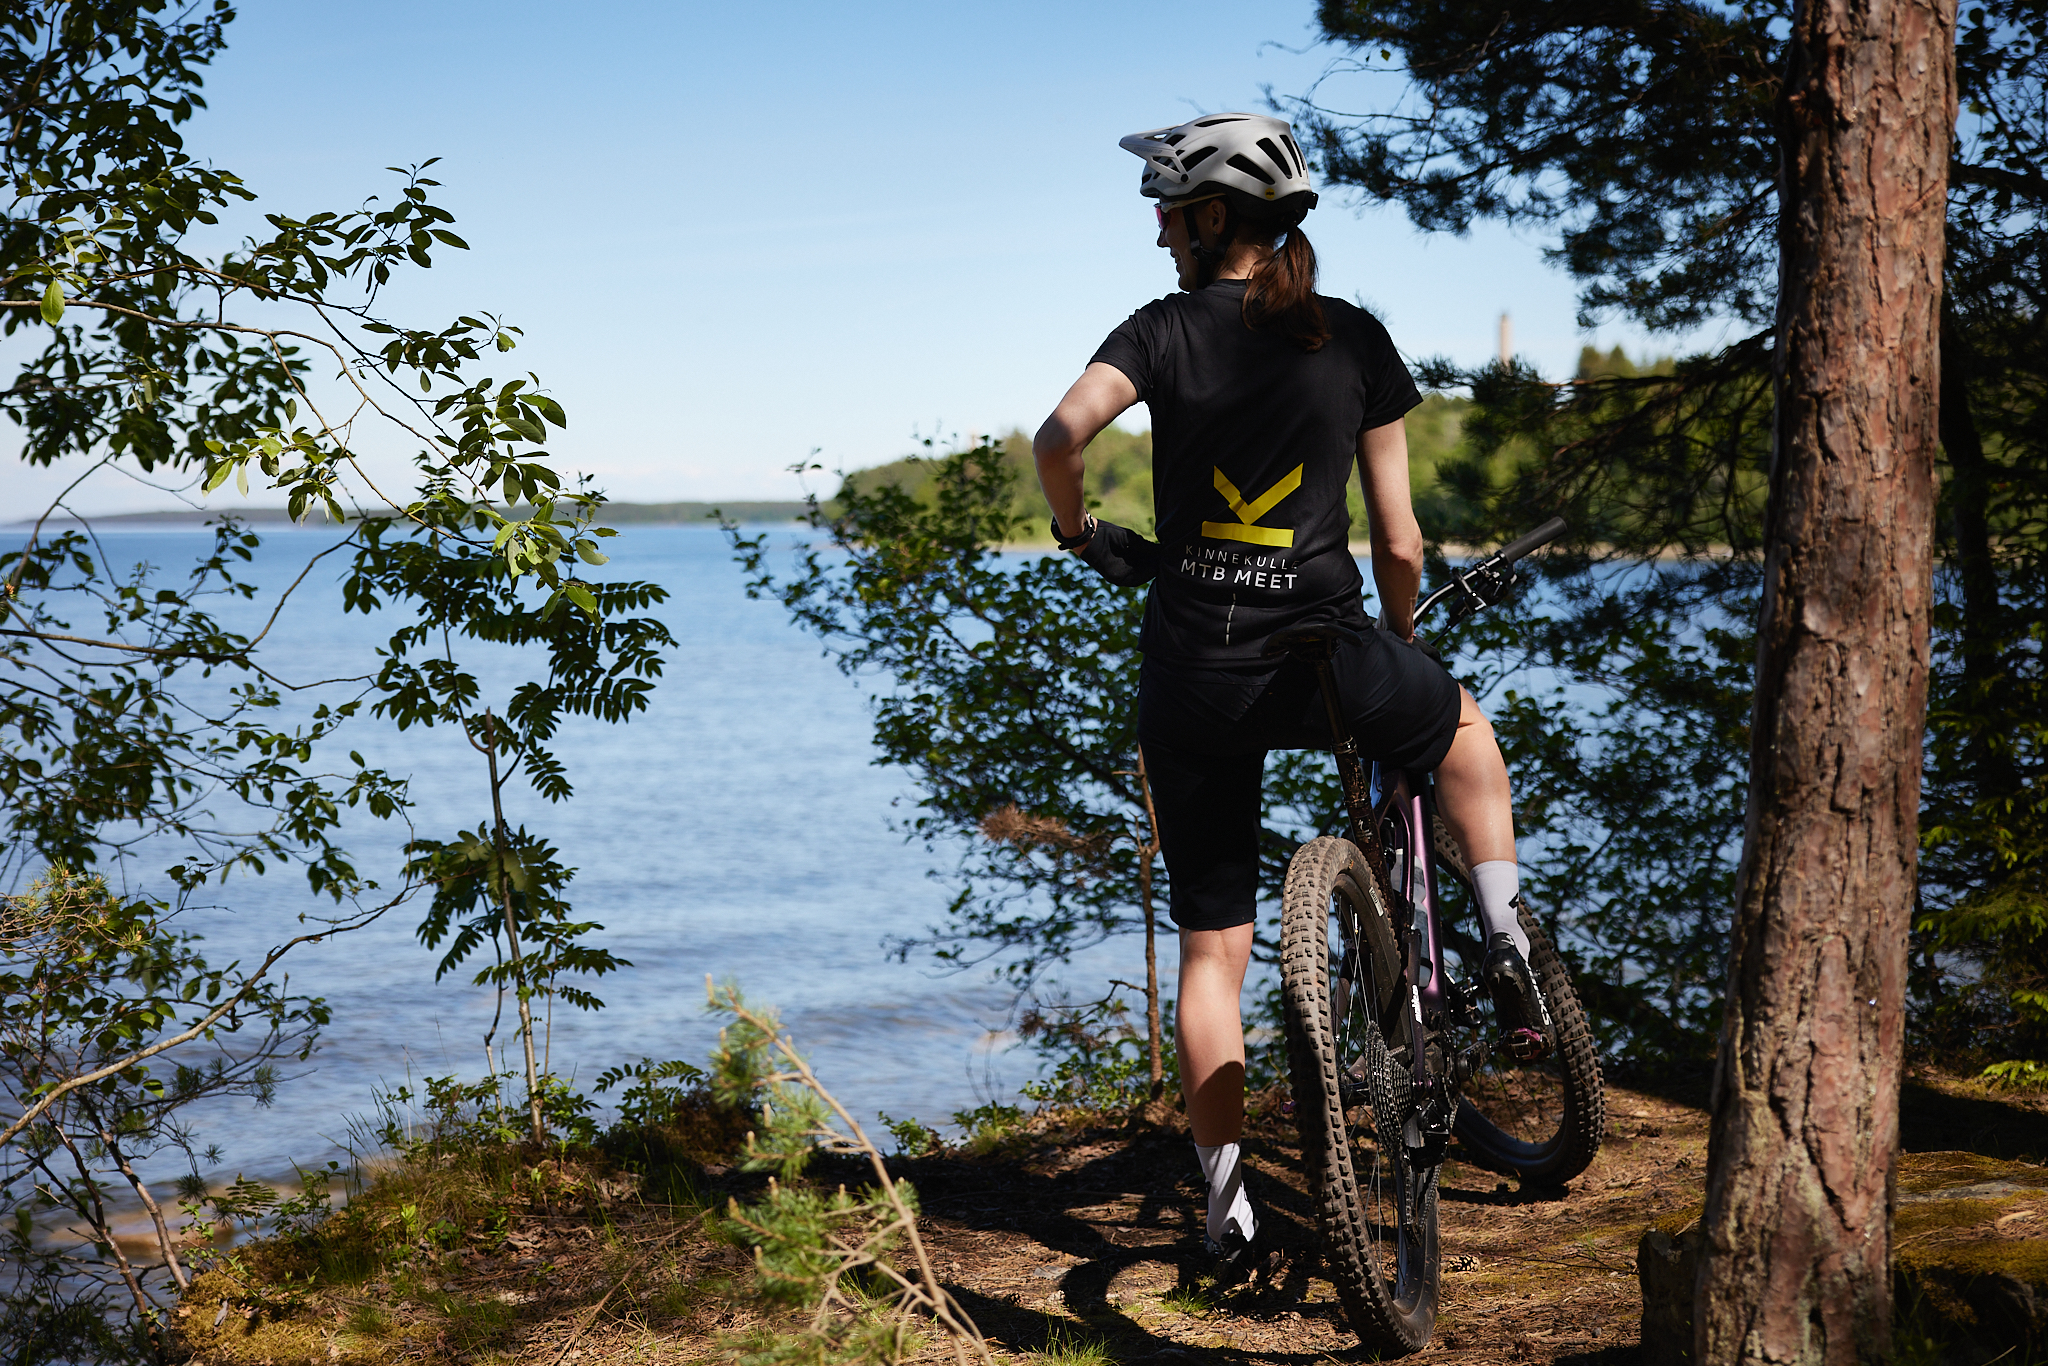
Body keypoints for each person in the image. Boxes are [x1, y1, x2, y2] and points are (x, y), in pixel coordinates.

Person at [1031, 112, 1551, 1277]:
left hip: (1194, 676)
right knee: (1460, 731)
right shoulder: (1353, 340)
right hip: (1322, 662)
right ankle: (1504, 934)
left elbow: (1056, 435)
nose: (1157, 231)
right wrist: (1405, 646)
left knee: (1214, 950)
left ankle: (1226, 1218)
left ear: (1211, 217)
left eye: (1166, 210)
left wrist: (1080, 532)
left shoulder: (1158, 332)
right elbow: (1399, 542)